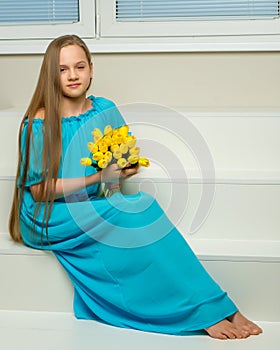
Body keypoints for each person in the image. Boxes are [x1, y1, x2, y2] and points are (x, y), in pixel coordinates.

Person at [9, 34, 262, 340]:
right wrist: (98, 178)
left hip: (92, 202)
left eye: (79, 66)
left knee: (144, 207)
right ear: (50, 73)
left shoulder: (104, 109)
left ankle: (215, 304)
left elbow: (117, 166)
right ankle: (203, 310)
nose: (73, 75)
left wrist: (123, 170)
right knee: (135, 213)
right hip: (48, 215)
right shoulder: (38, 123)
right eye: (62, 69)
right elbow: (40, 191)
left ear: (91, 68)